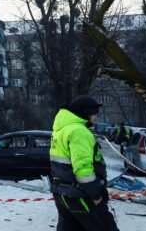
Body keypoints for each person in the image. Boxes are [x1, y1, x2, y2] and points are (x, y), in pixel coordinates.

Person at [49, 95, 119, 231]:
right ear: (86, 113)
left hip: (62, 193)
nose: (97, 117)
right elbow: (83, 169)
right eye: (95, 113)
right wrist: (95, 194)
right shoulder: (79, 131)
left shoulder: (60, 130)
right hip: (80, 194)